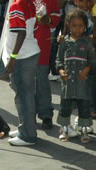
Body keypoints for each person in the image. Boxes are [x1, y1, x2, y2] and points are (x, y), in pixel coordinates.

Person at [3, 0, 41, 146]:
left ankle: (27, 135)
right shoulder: (29, 3)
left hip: (22, 57)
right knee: (27, 95)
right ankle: (25, 128)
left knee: (23, 96)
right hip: (30, 52)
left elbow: (21, 32)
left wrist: (12, 58)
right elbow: (34, 26)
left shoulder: (16, 5)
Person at [56, 9, 96, 142]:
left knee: (84, 106)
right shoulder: (64, 42)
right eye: (74, 26)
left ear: (85, 26)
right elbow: (58, 60)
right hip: (67, 83)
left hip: (82, 82)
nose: (77, 29)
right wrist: (61, 71)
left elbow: (93, 61)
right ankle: (64, 129)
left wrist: (87, 69)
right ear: (68, 25)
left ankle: (84, 130)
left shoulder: (87, 43)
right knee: (65, 106)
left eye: (80, 26)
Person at [33, 0, 61, 131]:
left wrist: (48, 19)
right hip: (22, 46)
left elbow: (56, 18)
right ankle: (28, 115)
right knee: (25, 83)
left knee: (42, 81)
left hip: (42, 45)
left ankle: (46, 115)